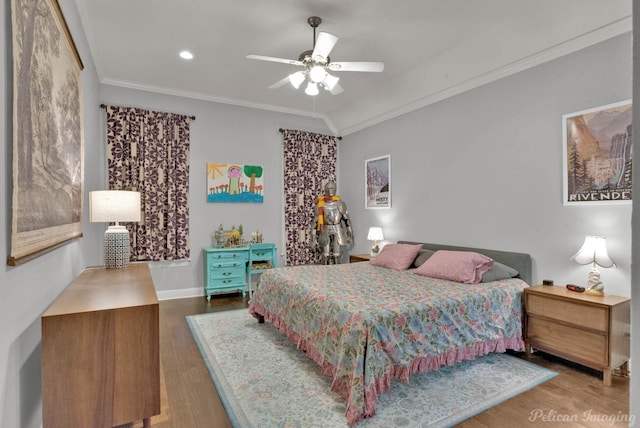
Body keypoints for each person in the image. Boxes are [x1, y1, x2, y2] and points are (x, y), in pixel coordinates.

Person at [310, 180, 354, 264]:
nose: (330, 190)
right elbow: (315, 223)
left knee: (337, 255)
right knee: (325, 255)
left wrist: (350, 234)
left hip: (337, 227)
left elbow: (347, 220)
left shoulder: (340, 204)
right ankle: (325, 273)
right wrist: (313, 238)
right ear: (325, 189)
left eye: (332, 188)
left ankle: (337, 273)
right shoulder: (320, 204)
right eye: (328, 188)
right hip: (325, 228)